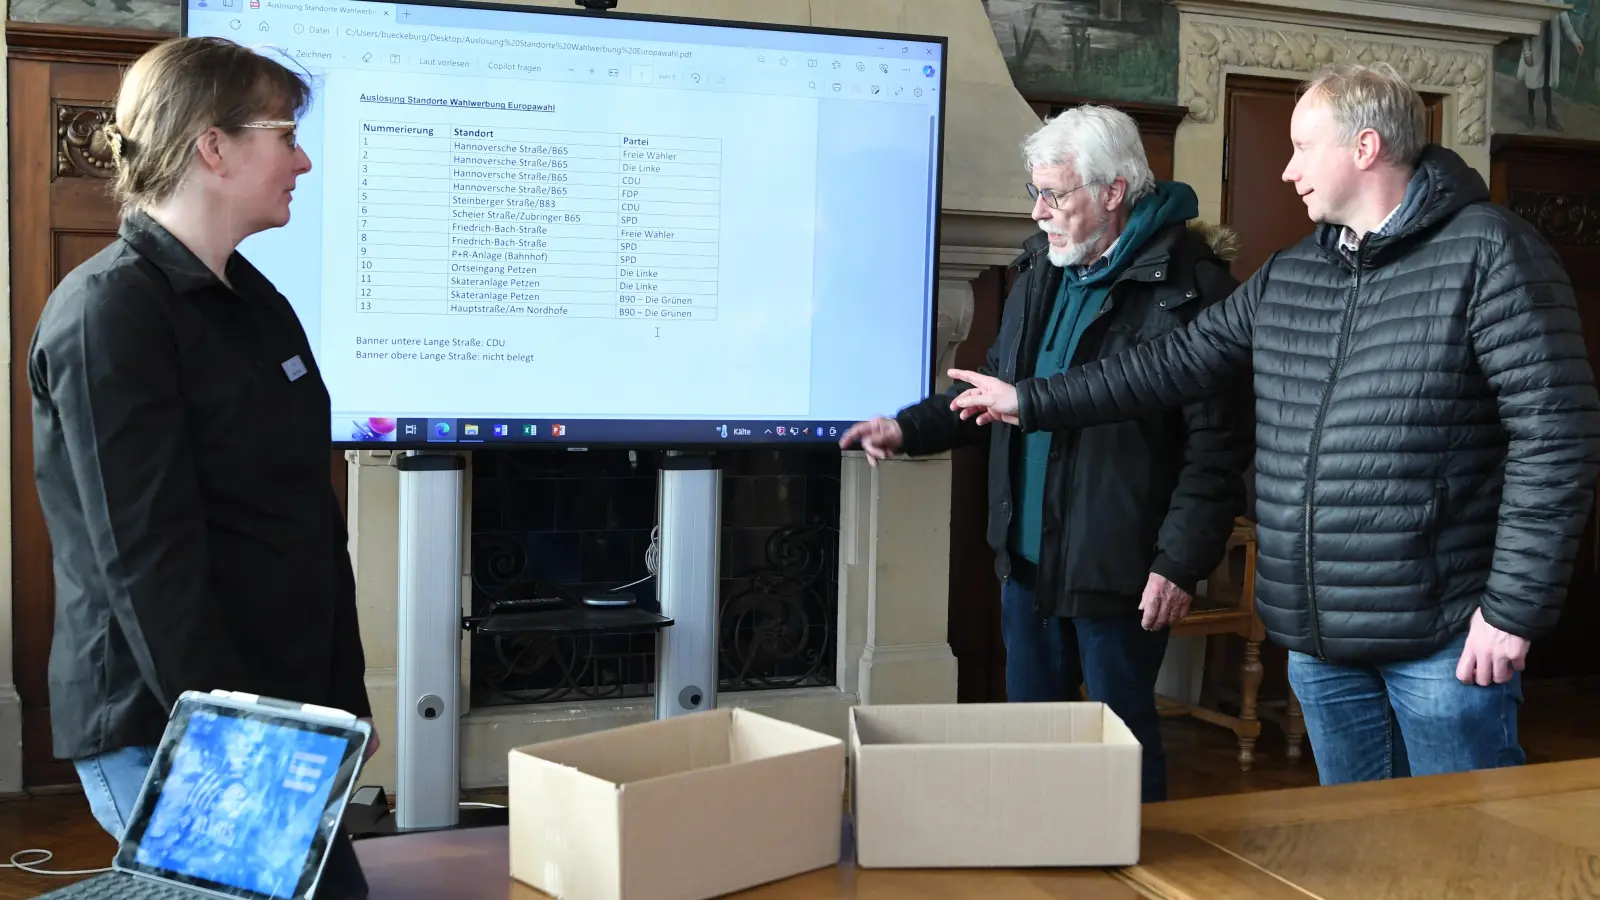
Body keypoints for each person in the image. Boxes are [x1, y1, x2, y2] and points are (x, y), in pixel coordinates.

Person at [946, 63, 1600, 785]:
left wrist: (1512, 609)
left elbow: (1557, 437)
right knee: (1354, 860)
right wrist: (1029, 402)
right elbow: (1172, 364)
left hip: (1442, 637)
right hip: (1319, 643)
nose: (1288, 172)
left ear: (1365, 147)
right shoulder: (1296, 271)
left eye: (1302, 147)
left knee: (1466, 862)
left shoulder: (1491, 251)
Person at [840, 105, 1251, 803]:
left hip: (1121, 566)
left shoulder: (1192, 287)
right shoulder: (1042, 269)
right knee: (1035, 737)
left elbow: (1217, 451)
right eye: (1036, 192)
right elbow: (996, 394)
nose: (1038, 212)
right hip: (1028, 563)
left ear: (1113, 191)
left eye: (1054, 194)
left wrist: (1180, 563)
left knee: (1119, 746)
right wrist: (907, 430)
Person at [28, 36, 377, 846]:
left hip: (279, 711)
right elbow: (147, 562)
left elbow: (308, 521)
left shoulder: (257, 302)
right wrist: (233, 746)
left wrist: (344, 699)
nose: (304, 162)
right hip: (174, 725)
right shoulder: (109, 314)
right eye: (286, 136)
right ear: (212, 146)